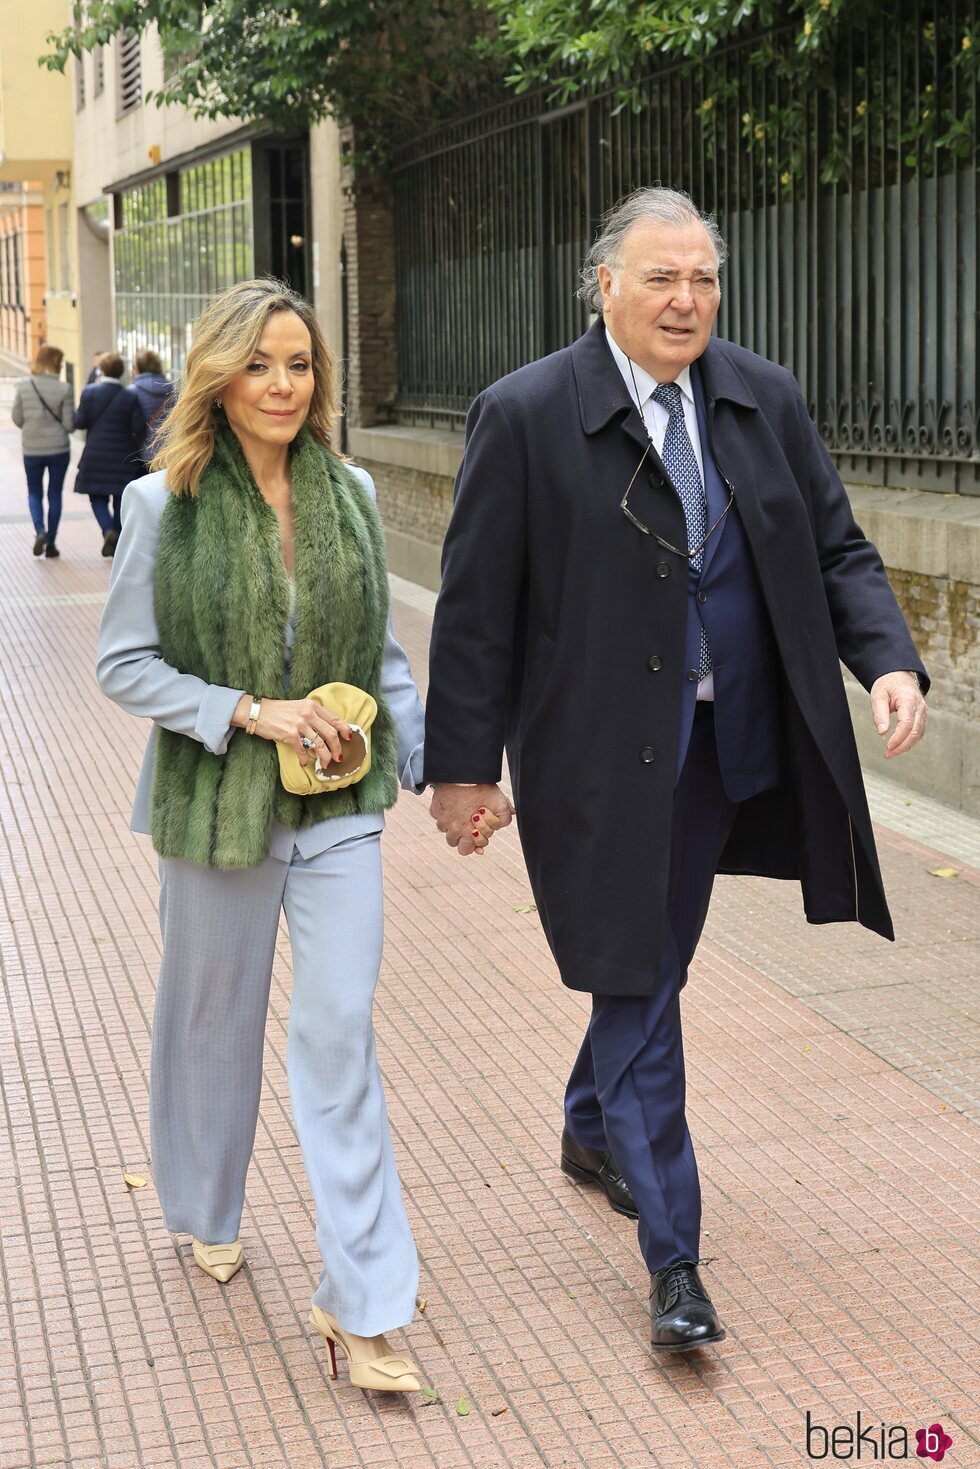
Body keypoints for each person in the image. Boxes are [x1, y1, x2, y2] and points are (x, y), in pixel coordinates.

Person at [423, 187, 929, 1354]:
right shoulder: (527, 414)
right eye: (659, 277)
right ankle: (673, 1256)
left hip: (728, 742)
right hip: (597, 760)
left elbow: (834, 542)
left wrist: (885, 659)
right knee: (638, 974)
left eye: (700, 277)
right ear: (602, 283)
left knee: (649, 959)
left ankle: (589, 1118)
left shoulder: (761, 396)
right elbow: (474, 613)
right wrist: (461, 763)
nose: (685, 299)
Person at [97, 278, 426, 1395]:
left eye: (300, 364)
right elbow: (122, 664)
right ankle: (204, 1205)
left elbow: (383, 659)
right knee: (211, 1019)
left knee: (339, 1030)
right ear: (219, 377)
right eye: (261, 364)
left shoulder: (357, 494)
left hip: (338, 806)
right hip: (216, 803)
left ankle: (364, 1301)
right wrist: (246, 709)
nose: (284, 384)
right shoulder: (163, 505)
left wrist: (431, 763)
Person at [73, 351, 146, 556]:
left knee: (96, 496)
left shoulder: (89, 392)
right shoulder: (130, 396)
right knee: (120, 499)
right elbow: (139, 426)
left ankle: (107, 529)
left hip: (95, 454)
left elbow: (79, 422)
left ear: (102, 370)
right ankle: (116, 537)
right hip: (123, 455)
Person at [11, 344, 74, 559]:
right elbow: (69, 425)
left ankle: (39, 530)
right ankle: (51, 543)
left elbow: (17, 418)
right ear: (56, 363)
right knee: (54, 494)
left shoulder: (24, 386)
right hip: (58, 449)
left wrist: (32, 428)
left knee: (34, 492)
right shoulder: (64, 389)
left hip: (32, 448)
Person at [128, 349, 175, 471]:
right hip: (168, 454)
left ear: (138, 368)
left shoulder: (131, 392)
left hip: (138, 453)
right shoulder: (173, 392)